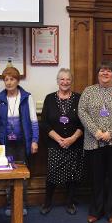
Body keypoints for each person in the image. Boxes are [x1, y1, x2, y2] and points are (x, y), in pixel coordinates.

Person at [78, 60, 112, 223]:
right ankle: (96, 210)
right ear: (97, 74)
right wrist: (96, 132)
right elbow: (82, 112)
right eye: (102, 70)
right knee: (96, 178)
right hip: (93, 142)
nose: (105, 73)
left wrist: (110, 133)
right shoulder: (88, 91)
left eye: (109, 71)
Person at [0, 66, 39, 216]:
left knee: (22, 173)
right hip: (6, 143)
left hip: (22, 143)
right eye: (6, 79)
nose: (9, 82)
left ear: (17, 80)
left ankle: (21, 203)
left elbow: (33, 120)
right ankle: (9, 204)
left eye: (12, 79)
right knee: (7, 173)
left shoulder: (26, 97)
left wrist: (35, 140)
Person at [40, 68, 84, 215]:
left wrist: (72, 139)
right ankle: (47, 202)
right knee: (52, 174)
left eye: (68, 79)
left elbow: (83, 123)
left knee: (73, 175)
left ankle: (70, 202)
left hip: (74, 143)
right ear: (57, 81)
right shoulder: (49, 98)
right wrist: (58, 139)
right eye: (62, 79)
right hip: (55, 143)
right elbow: (45, 123)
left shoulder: (79, 98)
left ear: (71, 81)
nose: (65, 82)